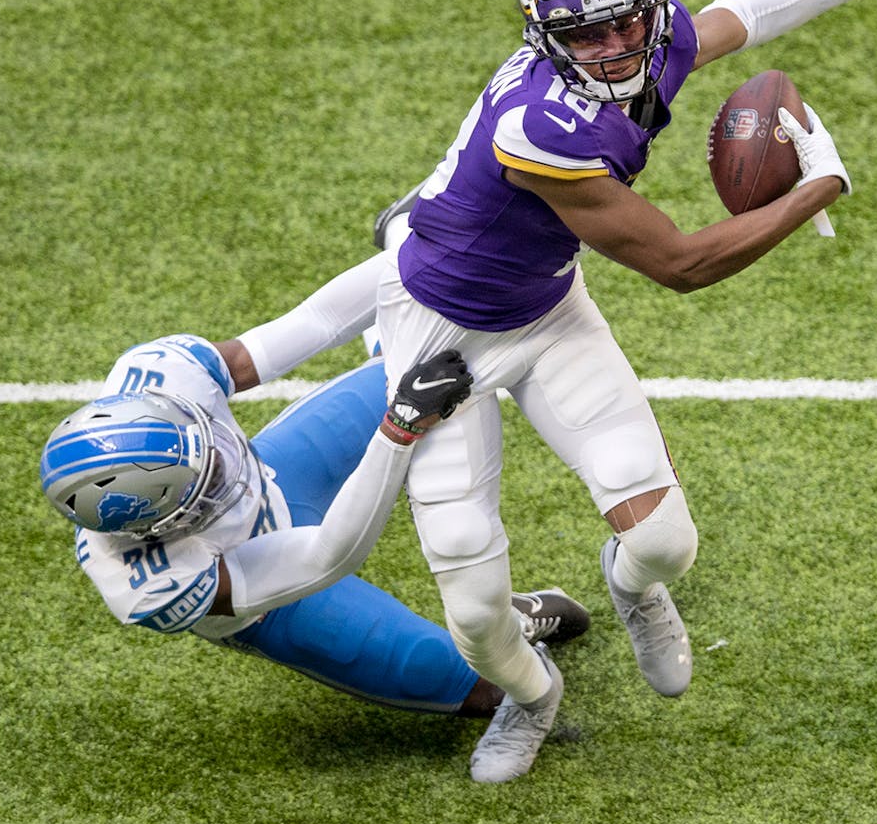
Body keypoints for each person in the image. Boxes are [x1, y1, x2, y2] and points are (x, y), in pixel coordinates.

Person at [369, 0, 877, 780]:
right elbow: (682, 265)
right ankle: (533, 699)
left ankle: (630, 584)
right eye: (589, 31)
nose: (615, 45)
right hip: (439, 337)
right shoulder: (542, 127)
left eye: (627, 19)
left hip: (544, 307)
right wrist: (818, 187)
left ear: (648, 2)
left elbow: (741, 16)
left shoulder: (647, 36)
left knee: (665, 545)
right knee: (470, 601)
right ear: (544, 35)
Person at [38, 249, 589, 721]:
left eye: (213, 450)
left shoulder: (160, 378)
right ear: (157, 529)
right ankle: (505, 625)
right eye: (204, 489)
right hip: (273, 596)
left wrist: (410, 259)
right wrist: (397, 431)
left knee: (426, 355)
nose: (225, 471)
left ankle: (392, 327)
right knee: (469, 686)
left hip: (282, 472)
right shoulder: (147, 581)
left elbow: (312, 321)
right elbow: (328, 558)